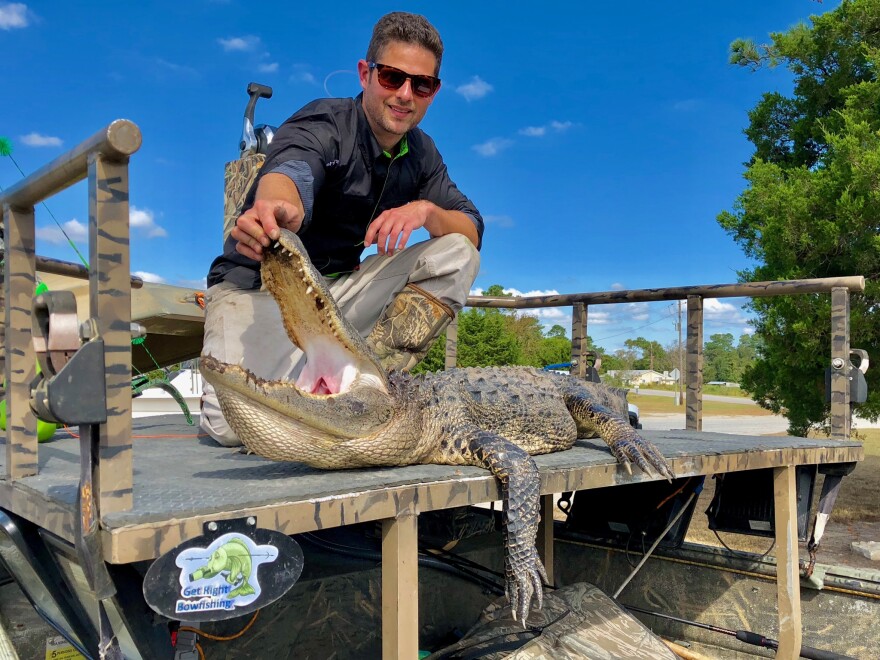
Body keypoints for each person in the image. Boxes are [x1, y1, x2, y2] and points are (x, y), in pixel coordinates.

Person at [200, 12, 484, 447]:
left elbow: (471, 227)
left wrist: (427, 211)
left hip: (337, 299)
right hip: (260, 292)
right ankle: (300, 380)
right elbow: (292, 168)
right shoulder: (326, 122)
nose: (405, 95)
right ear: (366, 74)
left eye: (421, 84)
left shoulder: (423, 154)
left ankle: (371, 394)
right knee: (232, 432)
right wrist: (277, 205)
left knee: (458, 252)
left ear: (434, 92)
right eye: (392, 77)